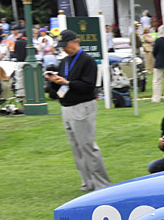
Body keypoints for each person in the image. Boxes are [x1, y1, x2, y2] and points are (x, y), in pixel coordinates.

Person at [43, 30, 112, 192]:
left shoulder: (88, 61)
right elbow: (58, 89)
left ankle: (102, 183)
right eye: (62, 47)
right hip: (66, 107)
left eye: (66, 46)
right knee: (76, 148)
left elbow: (88, 86)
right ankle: (87, 182)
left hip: (82, 106)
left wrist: (67, 82)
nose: (65, 49)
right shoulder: (65, 61)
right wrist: (54, 81)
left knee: (87, 145)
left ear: (75, 42)